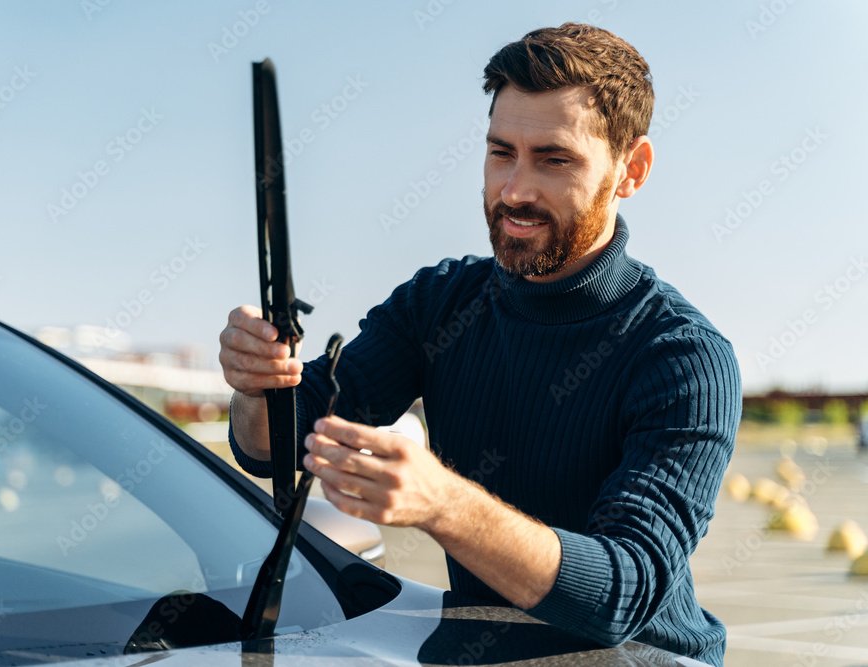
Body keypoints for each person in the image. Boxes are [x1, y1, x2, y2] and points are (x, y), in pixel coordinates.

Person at [220, 22, 741, 666]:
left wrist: (442, 502)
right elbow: (280, 446)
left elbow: (619, 594)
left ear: (631, 169)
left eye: (554, 159)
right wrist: (255, 385)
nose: (515, 190)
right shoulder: (440, 302)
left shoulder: (684, 358)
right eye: (501, 153)